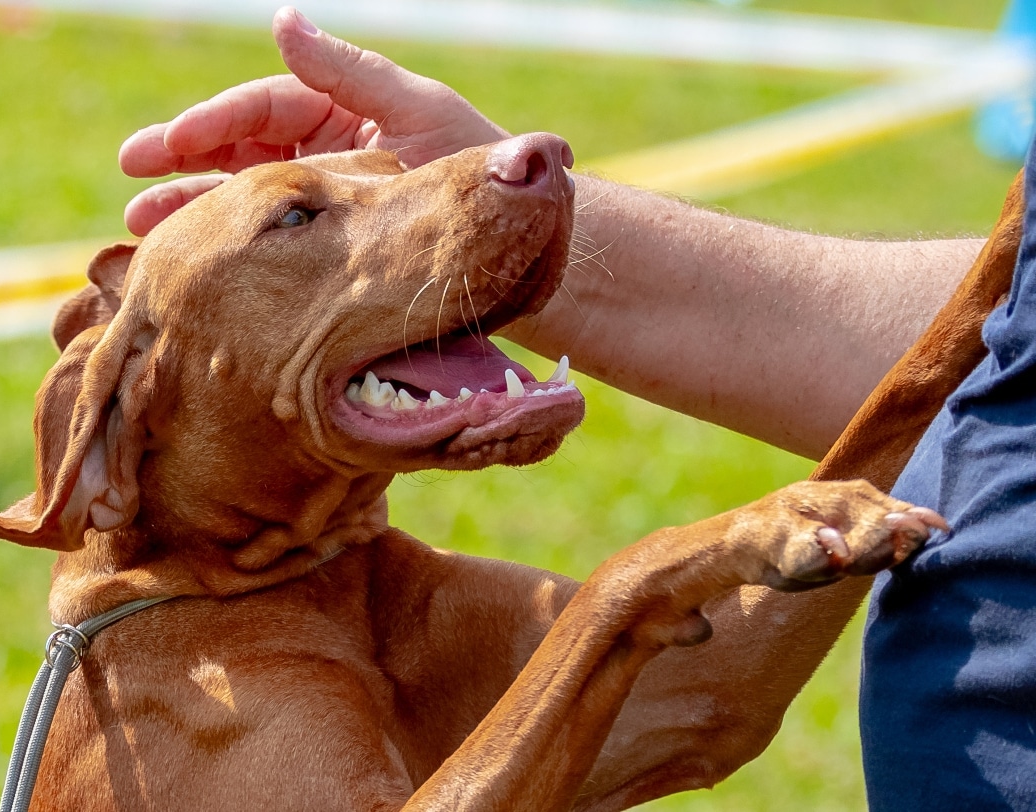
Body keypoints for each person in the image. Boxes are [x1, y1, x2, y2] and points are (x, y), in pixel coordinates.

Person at [119, 8, 1035, 808]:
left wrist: (1000, 280)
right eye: (298, 218)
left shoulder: (367, 573)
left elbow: (707, 692)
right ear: (121, 420)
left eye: (389, 179)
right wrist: (631, 593)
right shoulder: (146, 658)